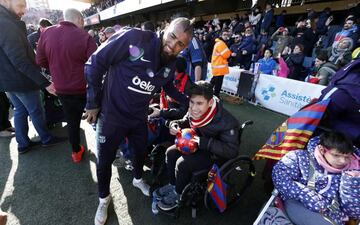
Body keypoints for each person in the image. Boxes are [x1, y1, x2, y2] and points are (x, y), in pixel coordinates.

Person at [84, 17, 193, 225]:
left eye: (181, 44)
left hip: (138, 118)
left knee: (140, 152)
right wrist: (92, 102)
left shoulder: (171, 63)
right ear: (165, 28)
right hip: (111, 116)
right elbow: (95, 63)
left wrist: (189, 100)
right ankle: (103, 198)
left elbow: (167, 87)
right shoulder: (134, 38)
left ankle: (137, 179)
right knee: (105, 161)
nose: (173, 46)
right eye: (172, 37)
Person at [155, 81, 240, 211]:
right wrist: (175, 124)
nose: (194, 108)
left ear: (210, 102)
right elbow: (185, 121)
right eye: (192, 102)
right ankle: (173, 184)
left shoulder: (228, 122)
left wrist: (204, 142)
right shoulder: (193, 111)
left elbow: (232, 151)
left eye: (199, 103)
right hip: (197, 144)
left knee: (181, 164)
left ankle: (178, 194)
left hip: (215, 154)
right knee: (170, 153)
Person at [0, 0, 65, 154]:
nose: (24, 10)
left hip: (8, 80)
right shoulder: (7, 24)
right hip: (20, 79)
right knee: (36, 110)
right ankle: (46, 139)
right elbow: (20, 61)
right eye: (21, 5)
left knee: (20, 110)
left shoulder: (6, 21)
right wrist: (45, 83)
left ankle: (23, 144)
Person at [36, 8, 97, 163]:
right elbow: (97, 65)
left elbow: (40, 61)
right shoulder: (85, 36)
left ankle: (76, 152)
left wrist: (57, 68)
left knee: (72, 121)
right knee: (98, 117)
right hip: (84, 88)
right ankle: (110, 149)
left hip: (61, 89)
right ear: (79, 20)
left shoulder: (47, 33)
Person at [272, 132, 360, 225]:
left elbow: (353, 212)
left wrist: (351, 183)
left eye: (347, 157)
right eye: (336, 155)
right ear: (322, 149)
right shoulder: (299, 157)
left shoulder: (354, 172)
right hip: (297, 202)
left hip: (332, 215)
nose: (342, 161)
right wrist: (309, 198)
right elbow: (280, 178)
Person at [210, 29, 232, 97]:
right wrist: (230, 52)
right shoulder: (221, 44)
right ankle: (216, 95)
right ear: (221, 35)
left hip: (217, 66)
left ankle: (207, 91)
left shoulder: (219, 43)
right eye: (224, 35)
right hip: (219, 67)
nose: (226, 36)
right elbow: (226, 54)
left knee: (213, 81)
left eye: (227, 35)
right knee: (218, 83)